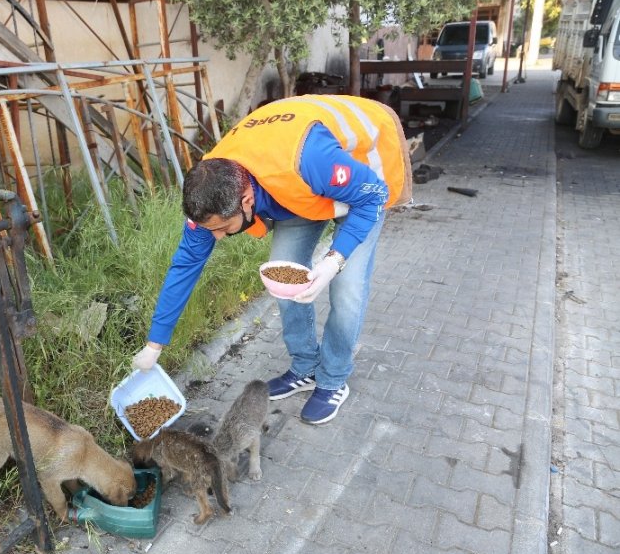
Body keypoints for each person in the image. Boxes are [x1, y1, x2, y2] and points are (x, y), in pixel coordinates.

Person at [132, 94, 412, 424]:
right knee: (283, 279)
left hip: (359, 186)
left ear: (247, 199)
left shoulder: (308, 161)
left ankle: (333, 378)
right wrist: (155, 345)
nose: (217, 237)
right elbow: (184, 268)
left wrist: (334, 260)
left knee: (346, 289)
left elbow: (372, 195)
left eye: (223, 228)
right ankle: (306, 366)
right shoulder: (208, 193)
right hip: (296, 192)